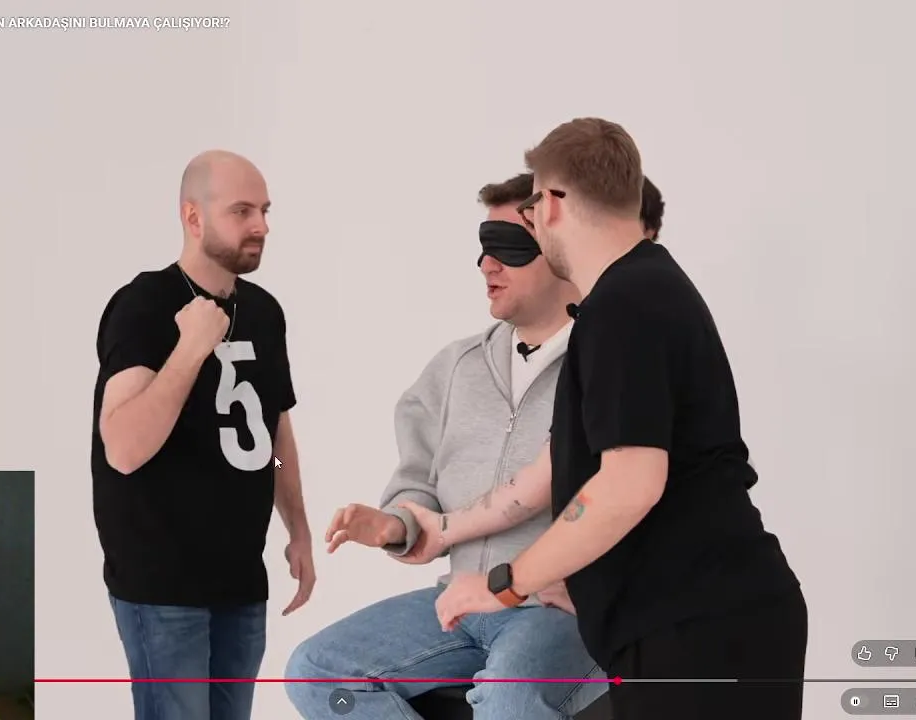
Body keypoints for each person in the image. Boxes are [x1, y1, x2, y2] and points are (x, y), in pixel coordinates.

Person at [433, 118, 807, 720]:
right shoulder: (644, 289)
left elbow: (627, 486)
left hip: (699, 630)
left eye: (531, 208)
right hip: (702, 621)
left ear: (553, 203)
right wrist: (568, 575)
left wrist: (507, 582)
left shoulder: (624, 305)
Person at [286, 169, 662, 720]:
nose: (487, 264)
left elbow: (633, 493)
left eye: (508, 247)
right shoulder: (454, 369)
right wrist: (397, 524)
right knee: (317, 673)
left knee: (508, 701)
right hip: (459, 602)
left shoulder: (610, 362)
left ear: (559, 249)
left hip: (559, 609)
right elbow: (419, 485)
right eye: (483, 247)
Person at [92, 149, 315, 720]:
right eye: (242, 211)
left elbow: (274, 439)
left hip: (240, 580)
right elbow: (123, 448)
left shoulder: (264, 312)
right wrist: (191, 348)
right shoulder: (145, 304)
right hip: (162, 584)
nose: (261, 226)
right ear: (193, 217)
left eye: (265, 211)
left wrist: (298, 529)